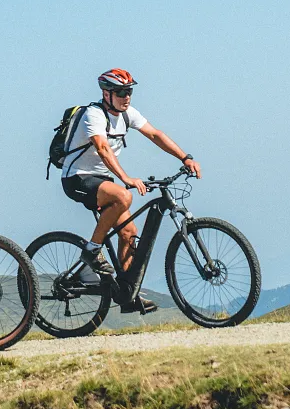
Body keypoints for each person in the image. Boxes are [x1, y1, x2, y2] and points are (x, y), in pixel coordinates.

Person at [58, 68, 201, 310]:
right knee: (123, 195)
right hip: (77, 179)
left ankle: (128, 295)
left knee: (128, 232)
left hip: (102, 180)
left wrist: (184, 158)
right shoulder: (93, 115)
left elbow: (155, 134)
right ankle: (92, 251)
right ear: (106, 94)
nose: (127, 97)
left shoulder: (127, 114)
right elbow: (102, 148)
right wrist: (126, 178)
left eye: (129, 91)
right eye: (121, 92)